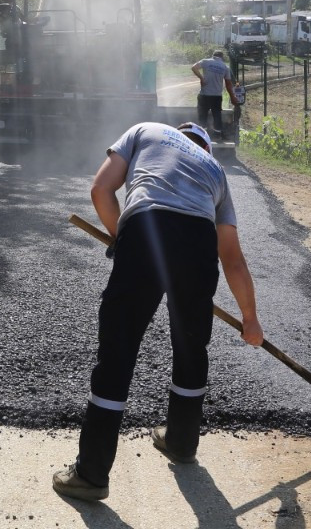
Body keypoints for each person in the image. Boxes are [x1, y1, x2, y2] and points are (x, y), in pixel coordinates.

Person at [52, 121, 264, 502]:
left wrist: (123, 239)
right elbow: (231, 258)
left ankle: (91, 474)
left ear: (179, 135)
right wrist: (250, 319)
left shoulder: (146, 130)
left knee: (118, 351)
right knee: (191, 347)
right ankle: (181, 443)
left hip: (148, 223)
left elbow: (101, 189)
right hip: (199, 242)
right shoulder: (215, 171)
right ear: (204, 148)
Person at [191, 50, 239, 138]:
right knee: (217, 115)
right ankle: (217, 134)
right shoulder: (225, 67)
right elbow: (228, 84)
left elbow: (194, 67)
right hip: (216, 96)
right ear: (222, 57)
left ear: (213, 56)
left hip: (204, 95)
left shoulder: (206, 62)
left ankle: (202, 135)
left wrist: (201, 78)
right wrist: (232, 97)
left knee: (202, 114)